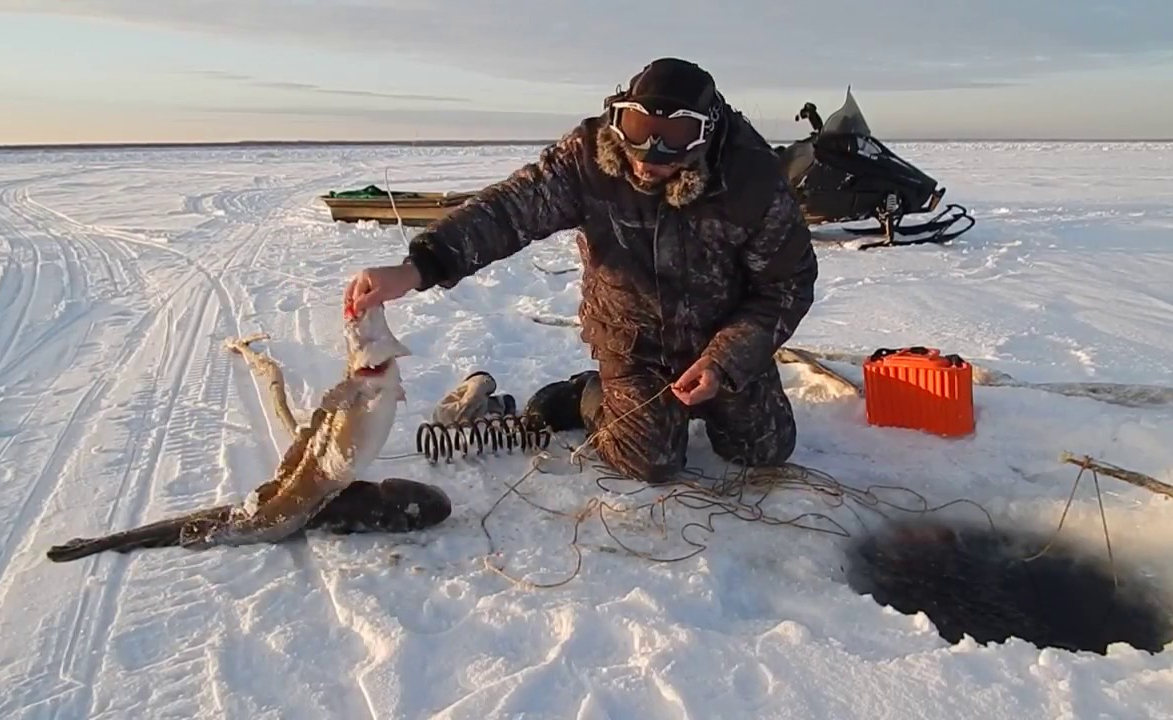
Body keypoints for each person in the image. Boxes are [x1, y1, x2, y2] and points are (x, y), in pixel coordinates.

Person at [344, 57, 818, 483]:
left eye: (673, 136)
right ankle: (585, 395)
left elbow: (785, 287)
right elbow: (509, 212)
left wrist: (724, 362)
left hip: (721, 338)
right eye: (636, 127)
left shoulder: (752, 181)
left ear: (708, 131)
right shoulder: (589, 158)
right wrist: (417, 268)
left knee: (764, 451)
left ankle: (713, 391)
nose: (649, 152)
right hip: (633, 340)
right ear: (618, 116)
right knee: (651, 462)